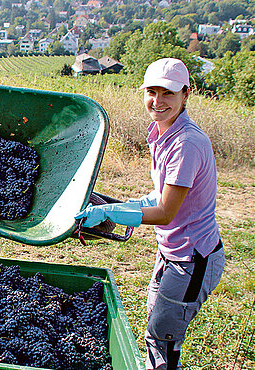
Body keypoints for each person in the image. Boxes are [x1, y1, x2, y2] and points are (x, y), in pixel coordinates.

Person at [75, 58, 225, 370]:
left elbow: (165, 212)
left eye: (168, 94)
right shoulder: (162, 133)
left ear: (186, 94)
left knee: (164, 339)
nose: (157, 102)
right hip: (170, 252)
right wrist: (122, 205)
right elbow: (161, 194)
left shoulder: (186, 144)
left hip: (191, 259)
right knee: (155, 324)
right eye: (151, 92)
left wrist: (113, 213)